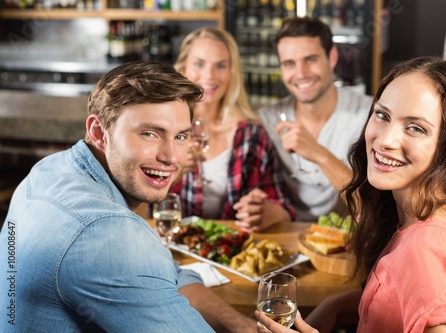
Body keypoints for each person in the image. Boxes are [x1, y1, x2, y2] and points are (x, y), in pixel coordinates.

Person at [0, 61, 257, 332]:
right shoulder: (106, 232)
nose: (171, 157)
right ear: (99, 133)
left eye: (181, 136)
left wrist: (237, 324)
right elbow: (121, 255)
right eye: (149, 133)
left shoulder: (51, 169)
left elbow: (159, 275)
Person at [255, 57, 446, 332]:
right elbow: (399, 297)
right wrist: (336, 306)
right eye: (382, 115)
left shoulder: (429, 251)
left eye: (415, 128)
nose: (385, 139)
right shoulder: (424, 217)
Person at [173, 27, 295, 232]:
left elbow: (283, 209)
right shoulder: (166, 129)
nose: (209, 76)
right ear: (183, 67)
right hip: (173, 248)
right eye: (199, 64)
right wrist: (171, 175)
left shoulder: (252, 136)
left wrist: (266, 211)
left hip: (232, 250)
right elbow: (139, 202)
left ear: (232, 72)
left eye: (220, 66)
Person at [258, 16, 373, 222]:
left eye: (310, 59)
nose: (300, 73)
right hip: (288, 236)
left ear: (332, 57)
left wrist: (319, 153)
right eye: (289, 63)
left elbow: (369, 209)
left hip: (345, 241)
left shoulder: (368, 115)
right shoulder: (267, 119)